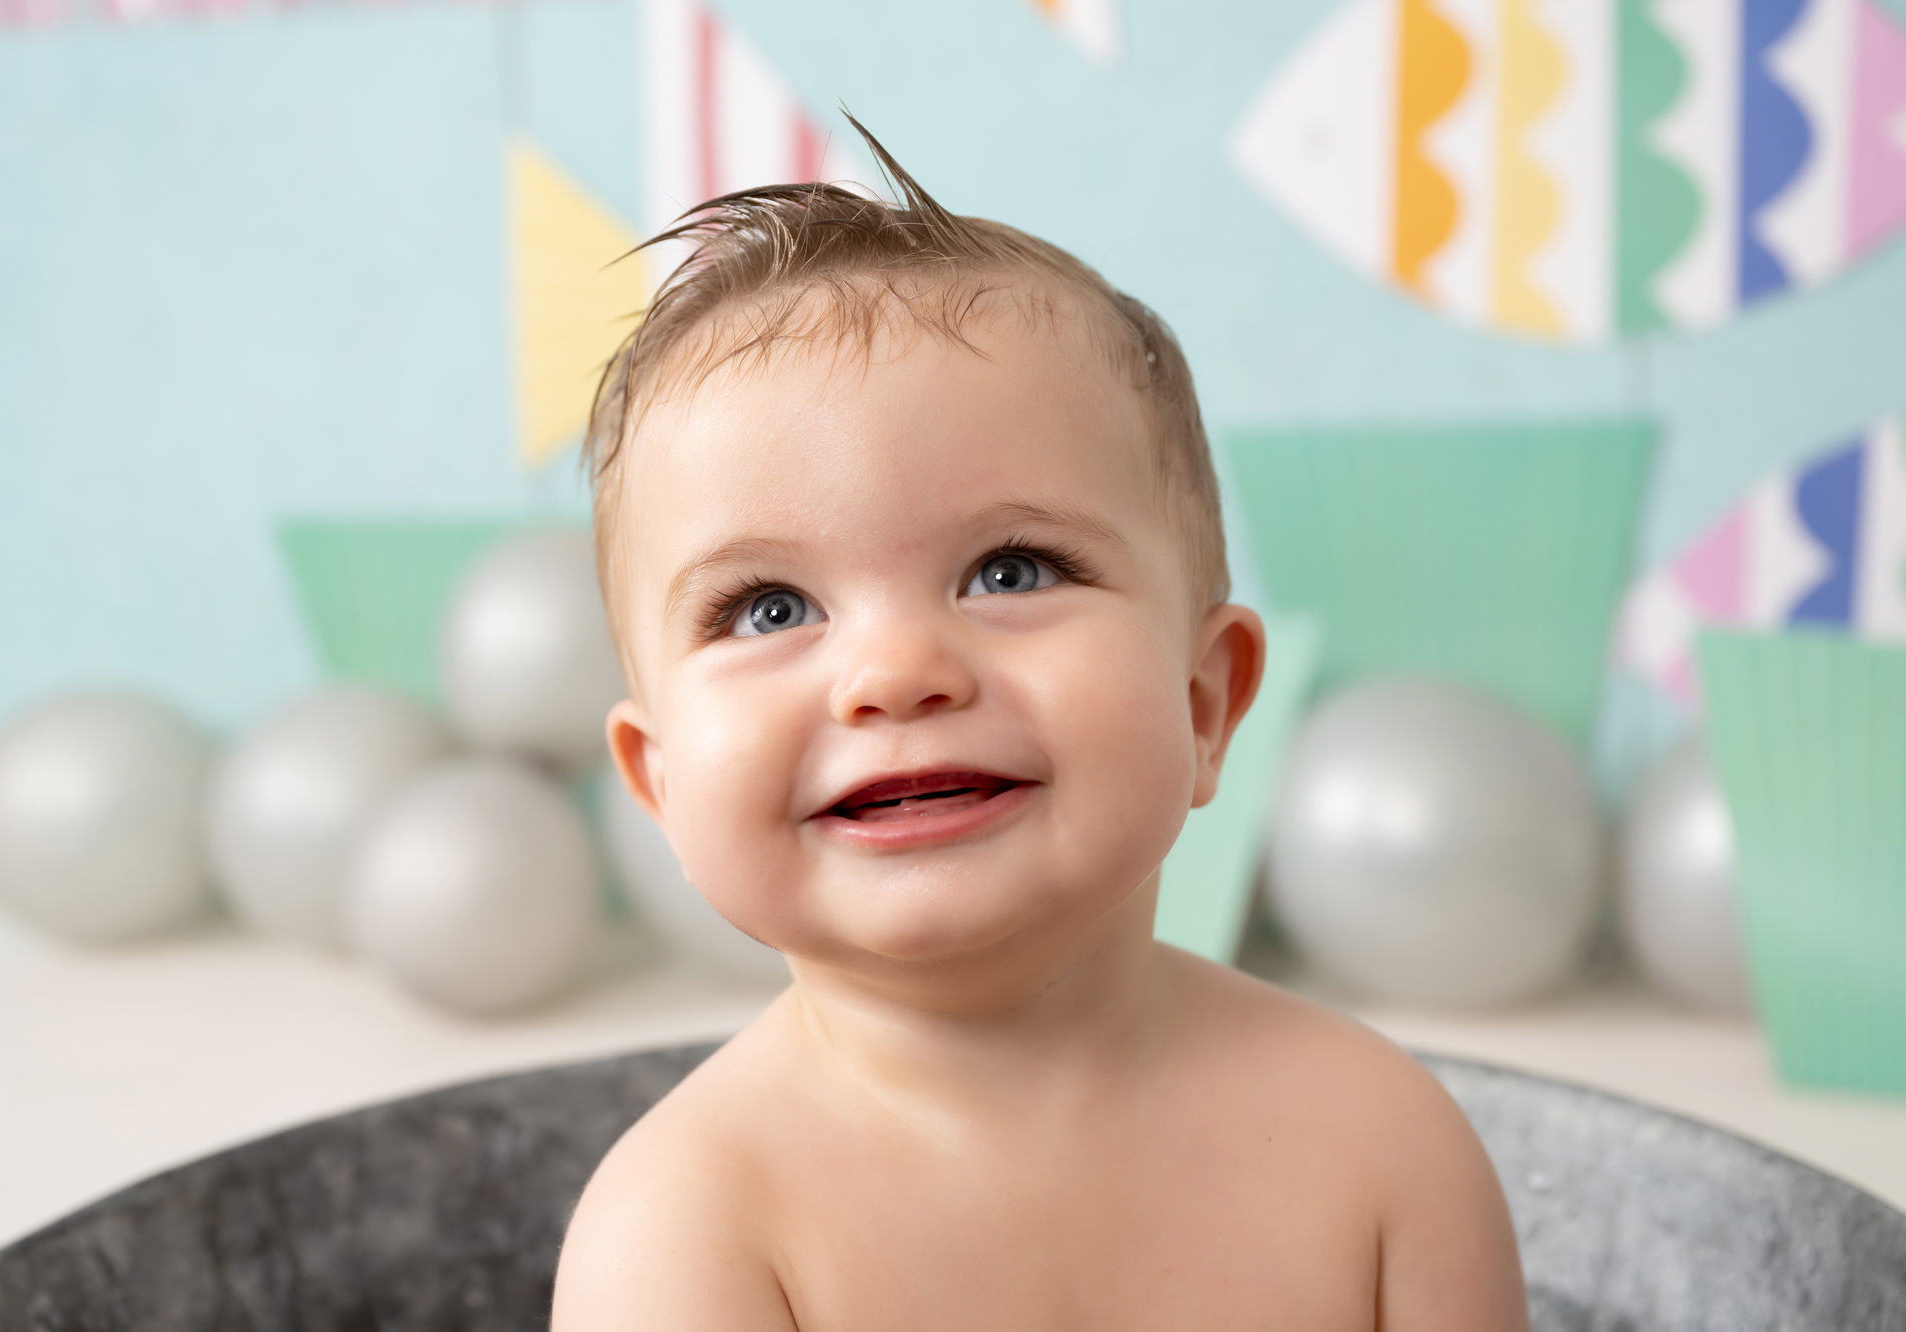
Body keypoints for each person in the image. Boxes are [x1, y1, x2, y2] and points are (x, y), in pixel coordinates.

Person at [551, 122, 1529, 1332]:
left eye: (1009, 571)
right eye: (768, 607)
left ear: (1202, 703)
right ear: (659, 791)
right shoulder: (688, 1235)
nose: (895, 673)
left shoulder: (1382, 1149)